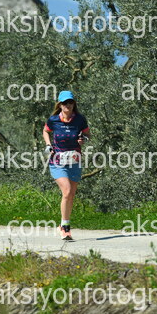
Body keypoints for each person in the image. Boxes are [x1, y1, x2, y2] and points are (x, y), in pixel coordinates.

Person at [43, 91, 90, 240]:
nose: (67, 105)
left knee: (71, 195)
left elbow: (88, 134)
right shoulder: (53, 120)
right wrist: (48, 145)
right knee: (67, 191)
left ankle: (62, 224)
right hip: (57, 161)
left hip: (74, 161)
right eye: (64, 103)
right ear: (60, 105)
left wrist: (83, 139)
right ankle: (65, 228)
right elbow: (45, 131)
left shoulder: (80, 120)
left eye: (70, 102)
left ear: (73, 104)